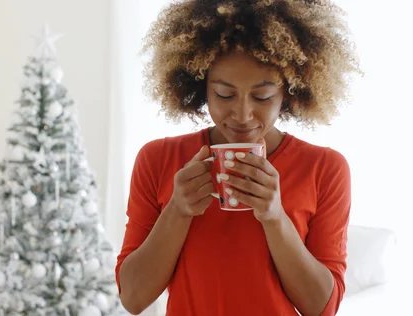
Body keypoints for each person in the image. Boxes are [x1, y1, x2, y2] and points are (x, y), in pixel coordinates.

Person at [115, 0, 361, 315]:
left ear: (289, 90)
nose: (243, 115)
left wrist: (275, 218)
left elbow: (321, 307)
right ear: (200, 86)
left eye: (262, 96)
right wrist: (178, 211)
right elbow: (133, 298)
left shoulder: (325, 168)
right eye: (224, 94)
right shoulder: (158, 159)